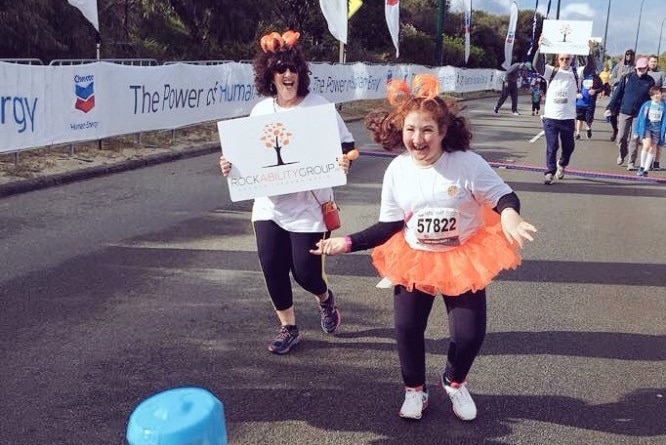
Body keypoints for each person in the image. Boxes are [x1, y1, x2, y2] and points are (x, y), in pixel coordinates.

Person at [310, 74, 537, 421]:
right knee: (407, 330)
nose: (418, 139)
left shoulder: (467, 164)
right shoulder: (397, 171)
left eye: (427, 130)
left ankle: (454, 381)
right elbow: (389, 225)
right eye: (411, 130)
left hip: (461, 257)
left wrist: (509, 215)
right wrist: (348, 242)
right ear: (401, 131)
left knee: (470, 335)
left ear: (443, 132)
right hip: (415, 256)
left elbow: (504, 195)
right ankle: (415, 391)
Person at [218, 30, 355, 354]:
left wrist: (344, 161)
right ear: (270, 74)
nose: (288, 74)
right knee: (272, 265)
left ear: (300, 73)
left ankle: (325, 299)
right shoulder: (262, 112)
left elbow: (348, 146)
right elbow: (246, 158)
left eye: (293, 68)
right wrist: (230, 166)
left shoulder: (319, 107)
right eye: (281, 69)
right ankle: (288, 327)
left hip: (308, 207)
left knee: (306, 274)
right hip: (269, 206)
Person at [532, 36, 593, 184]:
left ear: (571, 59)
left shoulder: (576, 72)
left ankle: (562, 164)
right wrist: (540, 48)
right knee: (552, 146)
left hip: (567, 118)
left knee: (569, 147)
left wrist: (590, 51)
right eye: (562, 59)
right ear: (557, 59)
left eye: (567, 59)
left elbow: (591, 68)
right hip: (551, 118)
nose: (565, 61)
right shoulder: (550, 72)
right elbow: (536, 65)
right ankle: (549, 172)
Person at [605, 57, 655, 170]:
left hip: (640, 114)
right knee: (621, 136)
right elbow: (618, 93)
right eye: (639, 68)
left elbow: (652, 98)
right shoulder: (627, 78)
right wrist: (610, 107)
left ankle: (631, 162)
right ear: (636, 67)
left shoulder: (650, 81)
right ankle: (622, 154)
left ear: (647, 68)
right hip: (625, 111)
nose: (641, 70)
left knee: (635, 138)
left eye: (643, 68)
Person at [633, 86, 666, 177]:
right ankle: (642, 166)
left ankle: (646, 169)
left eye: (658, 93)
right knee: (646, 145)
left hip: (657, 129)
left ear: (661, 94)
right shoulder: (647, 104)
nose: (656, 96)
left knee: (652, 148)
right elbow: (640, 118)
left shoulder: (663, 106)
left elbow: (664, 120)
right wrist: (636, 131)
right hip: (646, 128)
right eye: (654, 94)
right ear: (651, 96)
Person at [608, 50, 636, 142]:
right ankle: (615, 130)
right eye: (627, 54)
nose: (629, 56)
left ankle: (624, 133)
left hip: (628, 95)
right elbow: (611, 79)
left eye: (631, 55)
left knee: (626, 114)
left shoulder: (635, 68)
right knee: (613, 114)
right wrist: (619, 78)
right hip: (617, 94)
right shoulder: (619, 66)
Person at [575, 60, 602, 139]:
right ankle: (578, 133)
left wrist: (595, 91)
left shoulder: (596, 78)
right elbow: (576, 86)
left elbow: (602, 87)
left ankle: (588, 128)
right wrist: (577, 92)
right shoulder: (581, 77)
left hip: (590, 103)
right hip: (580, 102)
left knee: (588, 119)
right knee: (579, 119)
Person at [646, 55, 665, 170]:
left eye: (655, 62)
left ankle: (656, 162)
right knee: (649, 140)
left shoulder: (661, 74)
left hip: (659, 106)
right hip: (647, 105)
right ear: (648, 63)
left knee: (659, 140)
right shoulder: (645, 73)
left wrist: (661, 103)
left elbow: (664, 90)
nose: (653, 63)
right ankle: (647, 161)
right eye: (651, 61)